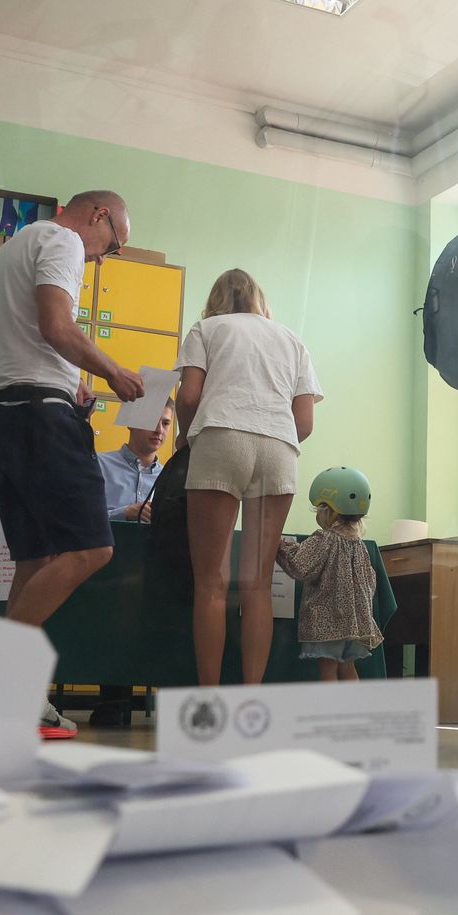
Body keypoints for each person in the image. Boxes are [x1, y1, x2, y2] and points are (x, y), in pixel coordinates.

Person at [0, 191, 145, 649]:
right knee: (93, 548)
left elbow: (29, 336)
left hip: (0, 415)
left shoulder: (16, 246)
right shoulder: (63, 241)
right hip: (40, 417)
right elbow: (57, 325)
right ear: (99, 215)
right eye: (111, 247)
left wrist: (71, 380)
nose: (101, 260)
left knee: (35, 558)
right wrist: (112, 372)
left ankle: (5, 694)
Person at [175, 269, 322, 686]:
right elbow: (305, 421)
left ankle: (210, 696)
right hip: (278, 449)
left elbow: (188, 397)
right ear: (260, 299)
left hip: (220, 439)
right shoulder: (291, 340)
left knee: (211, 583)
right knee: (257, 585)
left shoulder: (206, 329)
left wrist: (187, 440)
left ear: (215, 297)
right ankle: (250, 698)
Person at [277, 467, 381, 683]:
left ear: (327, 510)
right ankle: (353, 714)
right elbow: (370, 581)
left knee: (327, 671)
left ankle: (329, 714)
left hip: (328, 622)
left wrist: (279, 546)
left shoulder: (325, 539)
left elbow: (301, 566)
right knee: (348, 668)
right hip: (354, 624)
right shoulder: (359, 546)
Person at [100, 400, 172, 521]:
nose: (159, 430)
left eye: (165, 423)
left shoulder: (169, 478)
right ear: (131, 423)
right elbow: (79, 517)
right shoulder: (98, 465)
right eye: (152, 421)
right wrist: (123, 514)